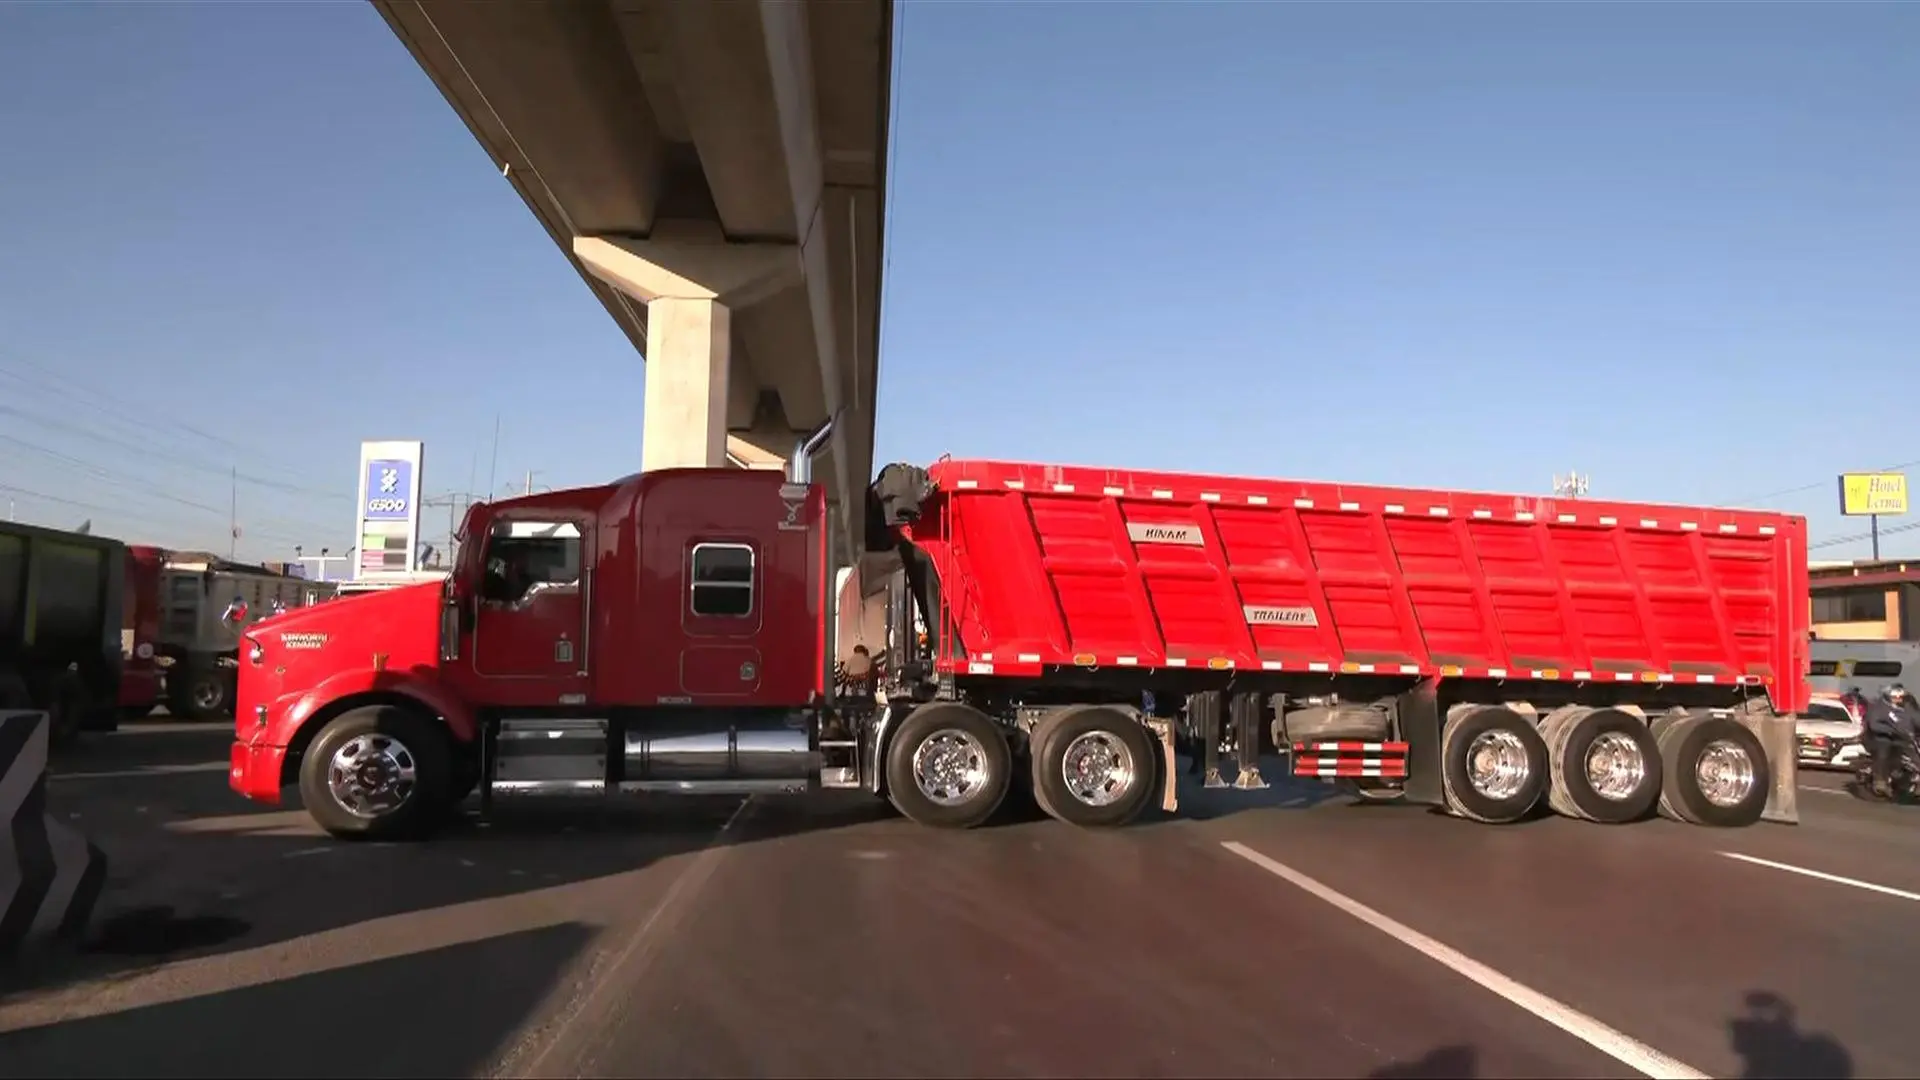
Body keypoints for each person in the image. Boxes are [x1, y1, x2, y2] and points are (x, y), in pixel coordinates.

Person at [1863, 683, 1918, 797]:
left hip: (1903, 739)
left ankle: (1909, 779)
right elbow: (1874, 724)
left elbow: (1916, 719)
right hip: (1881, 738)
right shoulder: (1879, 707)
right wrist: (1890, 730)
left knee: (1914, 757)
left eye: (1900, 697)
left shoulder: (1907, 707)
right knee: (1884, 752)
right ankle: (1880, 781)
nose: (1898, 699)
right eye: (1895, 697)